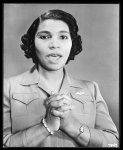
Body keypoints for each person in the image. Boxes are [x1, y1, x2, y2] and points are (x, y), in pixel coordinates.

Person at [3, 9, 119, 147]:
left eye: (63, 37)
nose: (54, 45)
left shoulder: (91, 89)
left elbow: (113, 143)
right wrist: (46, 126)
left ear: (72, 43)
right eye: (44, 37)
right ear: (32, 43)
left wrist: (72, 126)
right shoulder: (7, 87)